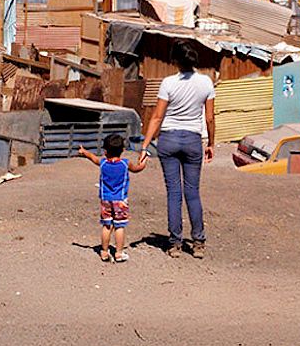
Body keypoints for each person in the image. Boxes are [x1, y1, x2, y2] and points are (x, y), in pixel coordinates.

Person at [139, 44, 215, 259]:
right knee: (192, 192)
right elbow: (209, 117)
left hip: (168, 140)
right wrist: (211, 143)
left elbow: (156, 117)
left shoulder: (168, 83)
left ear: (175, 61)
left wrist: (144, 146)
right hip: (192, 140)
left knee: (174, 193)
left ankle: (175, 244)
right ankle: (198, 242)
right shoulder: (206, 82)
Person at [77, 134, 148, 263]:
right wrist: (144, 161)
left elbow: (92, 157)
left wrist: (84, 152)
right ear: (122, 150)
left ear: (105, 150)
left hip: (105, 199)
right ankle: (119, 253)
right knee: (119, 226)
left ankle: (104, 252)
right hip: (120, 199)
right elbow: (138, 169)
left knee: (106, 225)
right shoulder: (125, 164)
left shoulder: (103, 163)